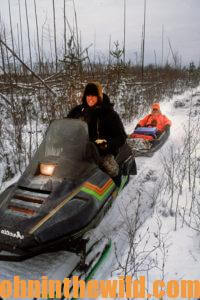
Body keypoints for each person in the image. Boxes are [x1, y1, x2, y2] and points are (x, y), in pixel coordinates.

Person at [68, 82, 127, 183]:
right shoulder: (78, 111)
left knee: (110, 169)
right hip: (79, 149)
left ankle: (117, 186)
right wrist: (59, 137)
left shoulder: (109, 114)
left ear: (99, 96)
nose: (90, 98)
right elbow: (67, 125)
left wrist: (106, 143)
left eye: (94, 95)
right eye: (88, 95)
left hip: (101, 151)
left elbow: (121, 137)